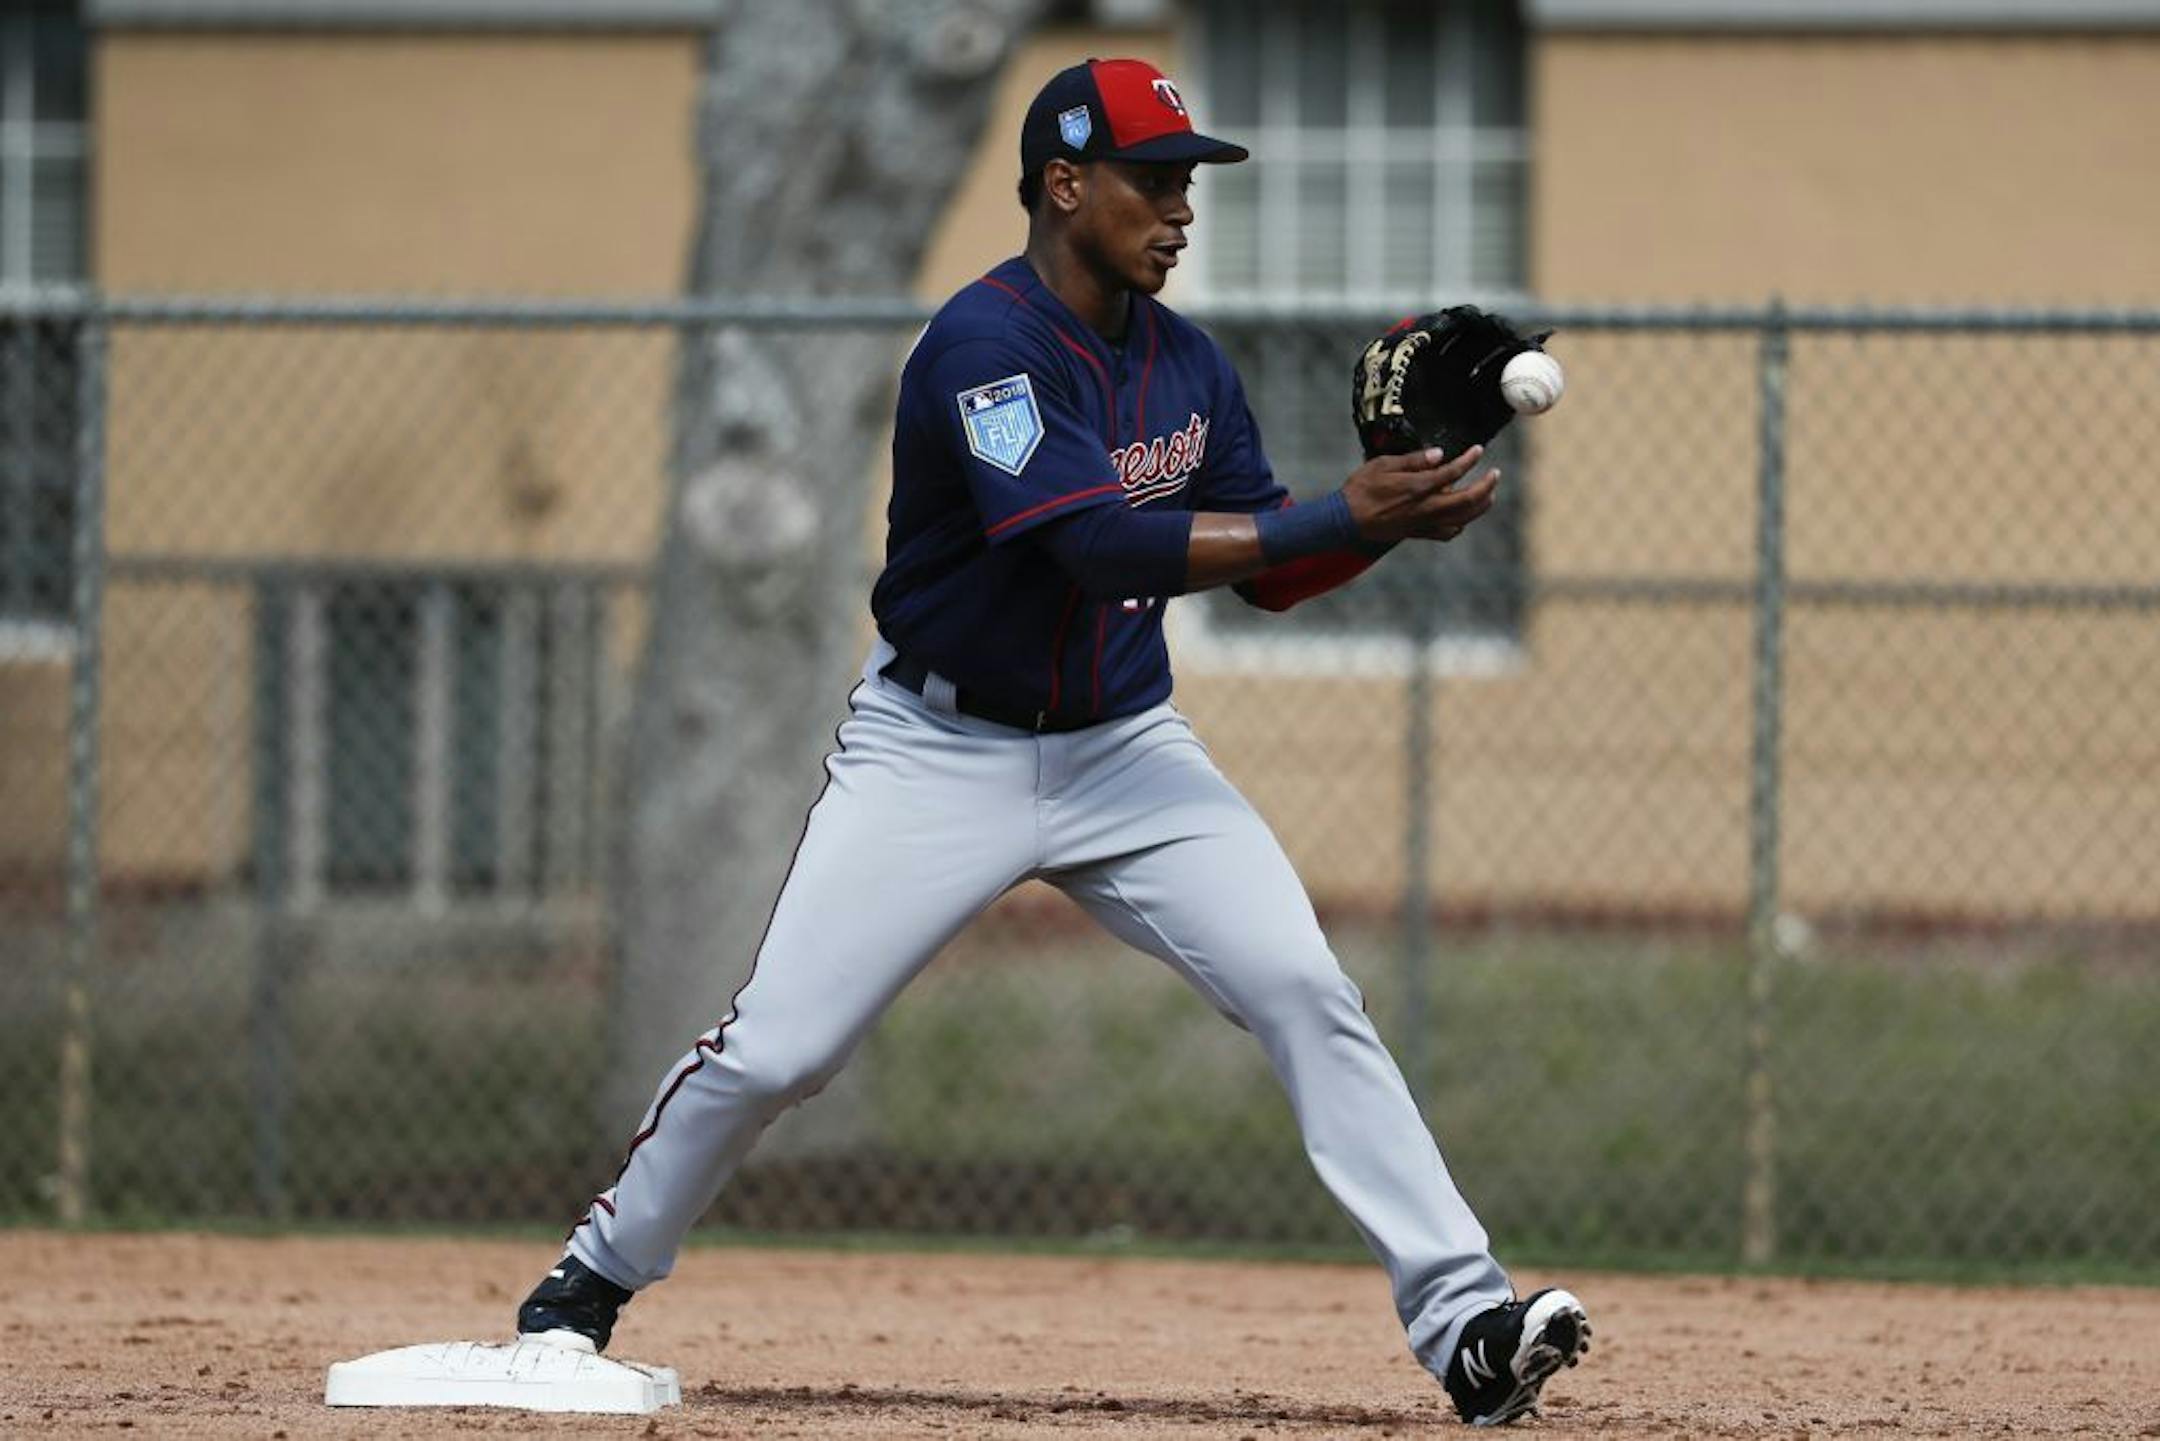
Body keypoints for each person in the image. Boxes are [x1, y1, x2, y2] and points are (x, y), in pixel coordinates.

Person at [515, 57, 1589, 1427]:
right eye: (1154, 175)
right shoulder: (983, 347)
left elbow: (1262, 571)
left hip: (1128, 752)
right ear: (1065, 184)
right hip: (935, 752)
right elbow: (1088, 541)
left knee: (1304, 988)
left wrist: (1375, 526)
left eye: (1190, 178)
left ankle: (1469, 1326)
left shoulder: (1190, 363)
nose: (1181, 205)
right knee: (779, 1052)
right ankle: (590, 1278)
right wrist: (1345, 513)